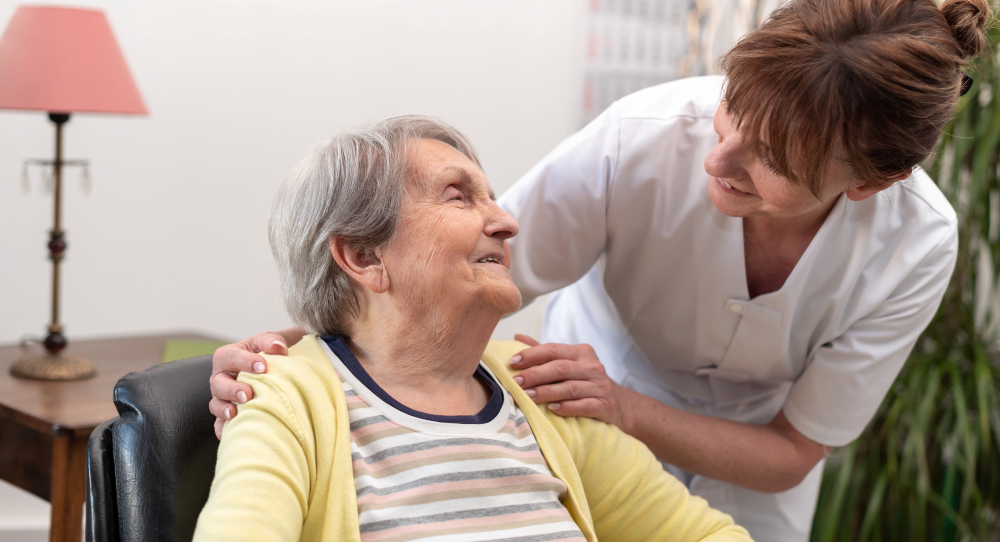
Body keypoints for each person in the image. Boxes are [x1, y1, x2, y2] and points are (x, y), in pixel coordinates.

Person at [207, 0, 990, 538]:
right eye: (731, 108)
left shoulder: (913, 243)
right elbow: (437, 279)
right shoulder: (639, 143)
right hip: (590, 397)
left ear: (869, 182)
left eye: (773, 158)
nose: (719, 157)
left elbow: (791, 452)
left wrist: (624, 411)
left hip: (703, 446)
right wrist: (290, 356)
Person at [193, 116, 751, 541]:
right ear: (364, 256)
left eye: (492, 197)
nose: (507, 222)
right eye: (458, 196)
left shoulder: (539, 382)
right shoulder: (290, 400)